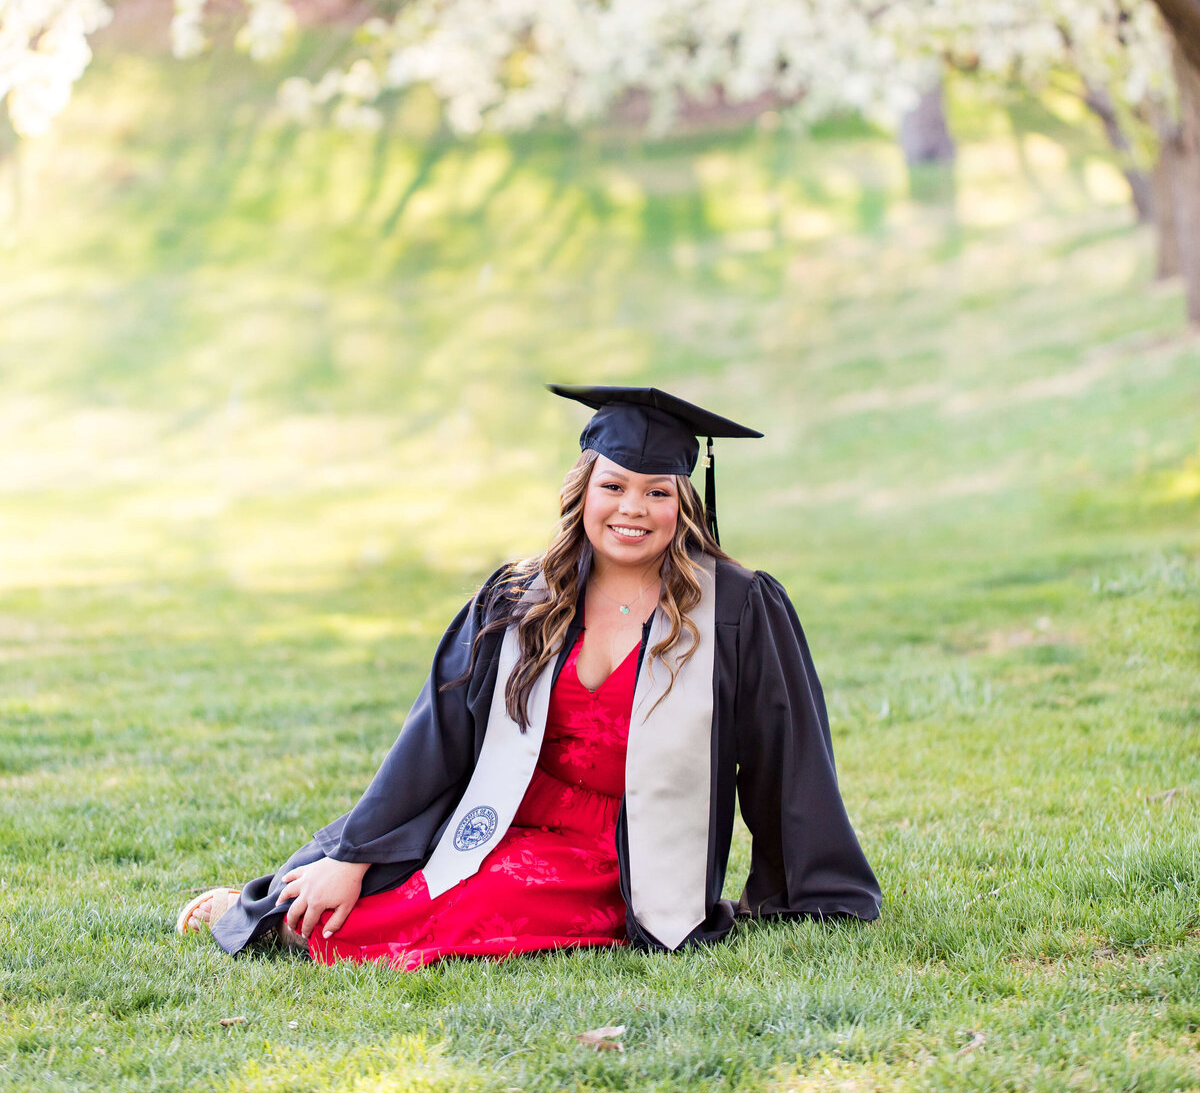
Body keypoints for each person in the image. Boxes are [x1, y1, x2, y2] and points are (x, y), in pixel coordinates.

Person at [177, 385, 880, 967]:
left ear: (683, 502)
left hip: (624, 846)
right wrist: (356, 854)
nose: (633, 509)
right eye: (615, 486)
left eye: (657, 492)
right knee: (374, 875)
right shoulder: (520, 596)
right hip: (501, 809)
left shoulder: (734, 608)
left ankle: (283, 920)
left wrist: (812, 887)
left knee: (446, 909)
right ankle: (267, 900)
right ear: (585, 491)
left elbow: (787, 753)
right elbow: (438, 736)